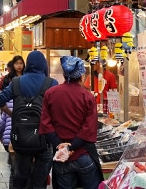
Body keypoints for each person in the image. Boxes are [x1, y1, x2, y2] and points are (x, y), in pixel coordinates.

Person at [0, 50, 57, 189]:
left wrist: (12, 114)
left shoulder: (16, 82)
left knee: (21, 177)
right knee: (40, 180)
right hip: (44, 138)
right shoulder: (51, 83)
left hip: (20, 138)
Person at [40, 56, 103, 189]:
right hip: (83, 156)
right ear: (81, 75)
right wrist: (71, 147)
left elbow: (46, 124)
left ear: (64, 73)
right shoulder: (87, 97)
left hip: (61, 158)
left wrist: (61, 146)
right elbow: (89, 129)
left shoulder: (50, 94)